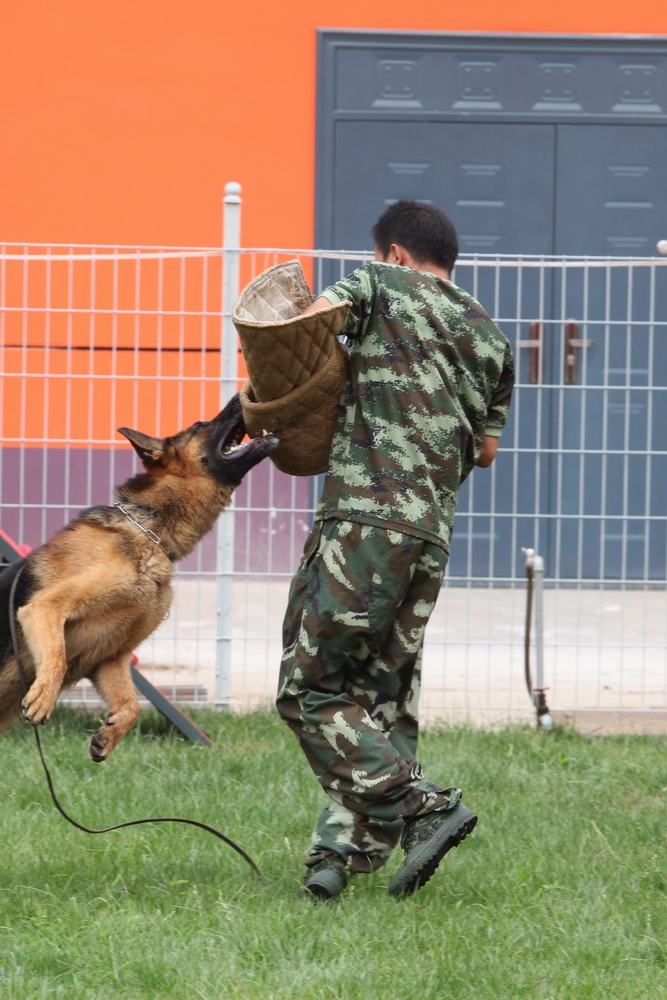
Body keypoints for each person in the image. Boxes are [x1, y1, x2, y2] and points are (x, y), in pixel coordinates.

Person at [275, 200, 515, 900]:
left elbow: (299, 328)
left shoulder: (377, 285)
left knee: (310, 690)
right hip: (431, 536)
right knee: (381, 695)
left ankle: (424, 808)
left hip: (362, 523)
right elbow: (489, 450)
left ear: (397, 255)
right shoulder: (492, 338)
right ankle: (335, 860)